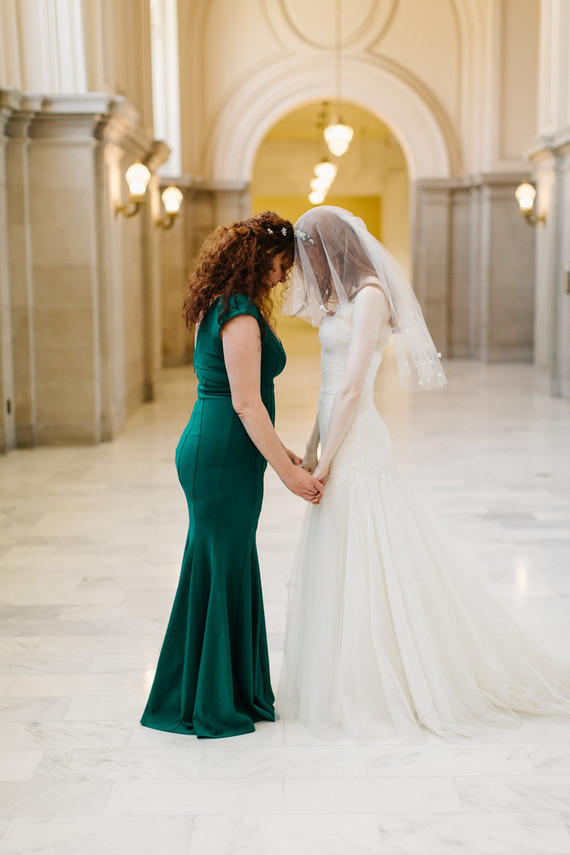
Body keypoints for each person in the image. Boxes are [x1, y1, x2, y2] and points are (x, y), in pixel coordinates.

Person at [278, 205, 570, 741]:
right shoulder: (337, 300)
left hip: (359, 439)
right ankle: (340, 671)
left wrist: (328, 459)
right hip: (335, 432)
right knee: (339, 548)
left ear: (333, 246)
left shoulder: (370, 296)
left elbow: (350, 387)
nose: (306, 265)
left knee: (370, 548)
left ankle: (379, 677)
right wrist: (311, 446)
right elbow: (326, 383)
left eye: (311, 252)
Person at [141, 211, 323, 739]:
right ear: (255, 258)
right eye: (280, 264)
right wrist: (287, 474)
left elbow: (246, 403)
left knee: (224, 563)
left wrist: (283, 453)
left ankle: (221, 689)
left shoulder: (222, 304)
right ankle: (212, 701)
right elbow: (245, 402)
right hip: (221, 452)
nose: (283, 275)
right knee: (222, 565)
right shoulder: (238, 314)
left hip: (223, 448)